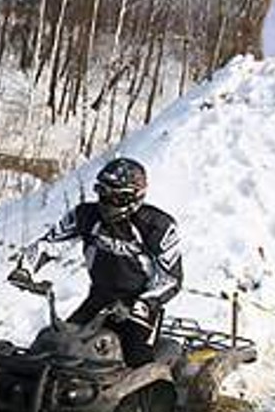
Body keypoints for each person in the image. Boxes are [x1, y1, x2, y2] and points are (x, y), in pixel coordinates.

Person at [19, 157, 182, 368]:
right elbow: (49, 244)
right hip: (99, 297)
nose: (107, 203)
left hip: (138, 306)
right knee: (59, 348)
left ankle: (147, 398)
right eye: (102, 193)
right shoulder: (85, 214)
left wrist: (143, 303)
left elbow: (171, 279)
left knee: (137, 361)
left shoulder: (157, 226)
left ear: (134, 197)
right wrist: (25, 270)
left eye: (115, 197)